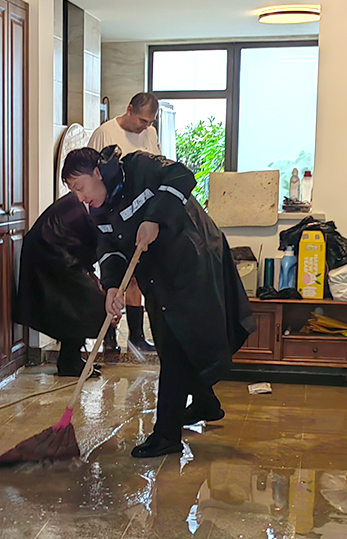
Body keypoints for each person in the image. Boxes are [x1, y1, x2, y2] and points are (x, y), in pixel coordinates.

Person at [62, 146, 255, 458]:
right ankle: (206, 403)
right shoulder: (98, 210)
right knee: (171, 344)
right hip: (157, 274)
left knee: (178, 345)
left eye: (80, 187)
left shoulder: (138, 167)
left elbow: (182, 176)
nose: (81, 197)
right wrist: (112, 287)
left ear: (97, 173)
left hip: (192, 260)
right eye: (74, 192)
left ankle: (167, 435)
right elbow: (109, 249)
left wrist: (153, 218)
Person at [88, 92, 161, 353]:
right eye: (142, 120)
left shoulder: (150, 134)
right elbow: (91, 174)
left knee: (137, 277)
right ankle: (109, 334)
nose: (145, 126)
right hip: (110, 214)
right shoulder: (105, 133)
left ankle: (136, 336)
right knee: (113, 276)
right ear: (129, 109)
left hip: (139, 216)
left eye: (150, 122)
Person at [14, 193, 111, 377]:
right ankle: (70, 363)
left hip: (56, 257)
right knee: (83, 304)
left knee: (74, 308)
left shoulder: (82, 203)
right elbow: (94, 244)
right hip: (50, 258)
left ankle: (71, 360)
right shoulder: (82, 203)